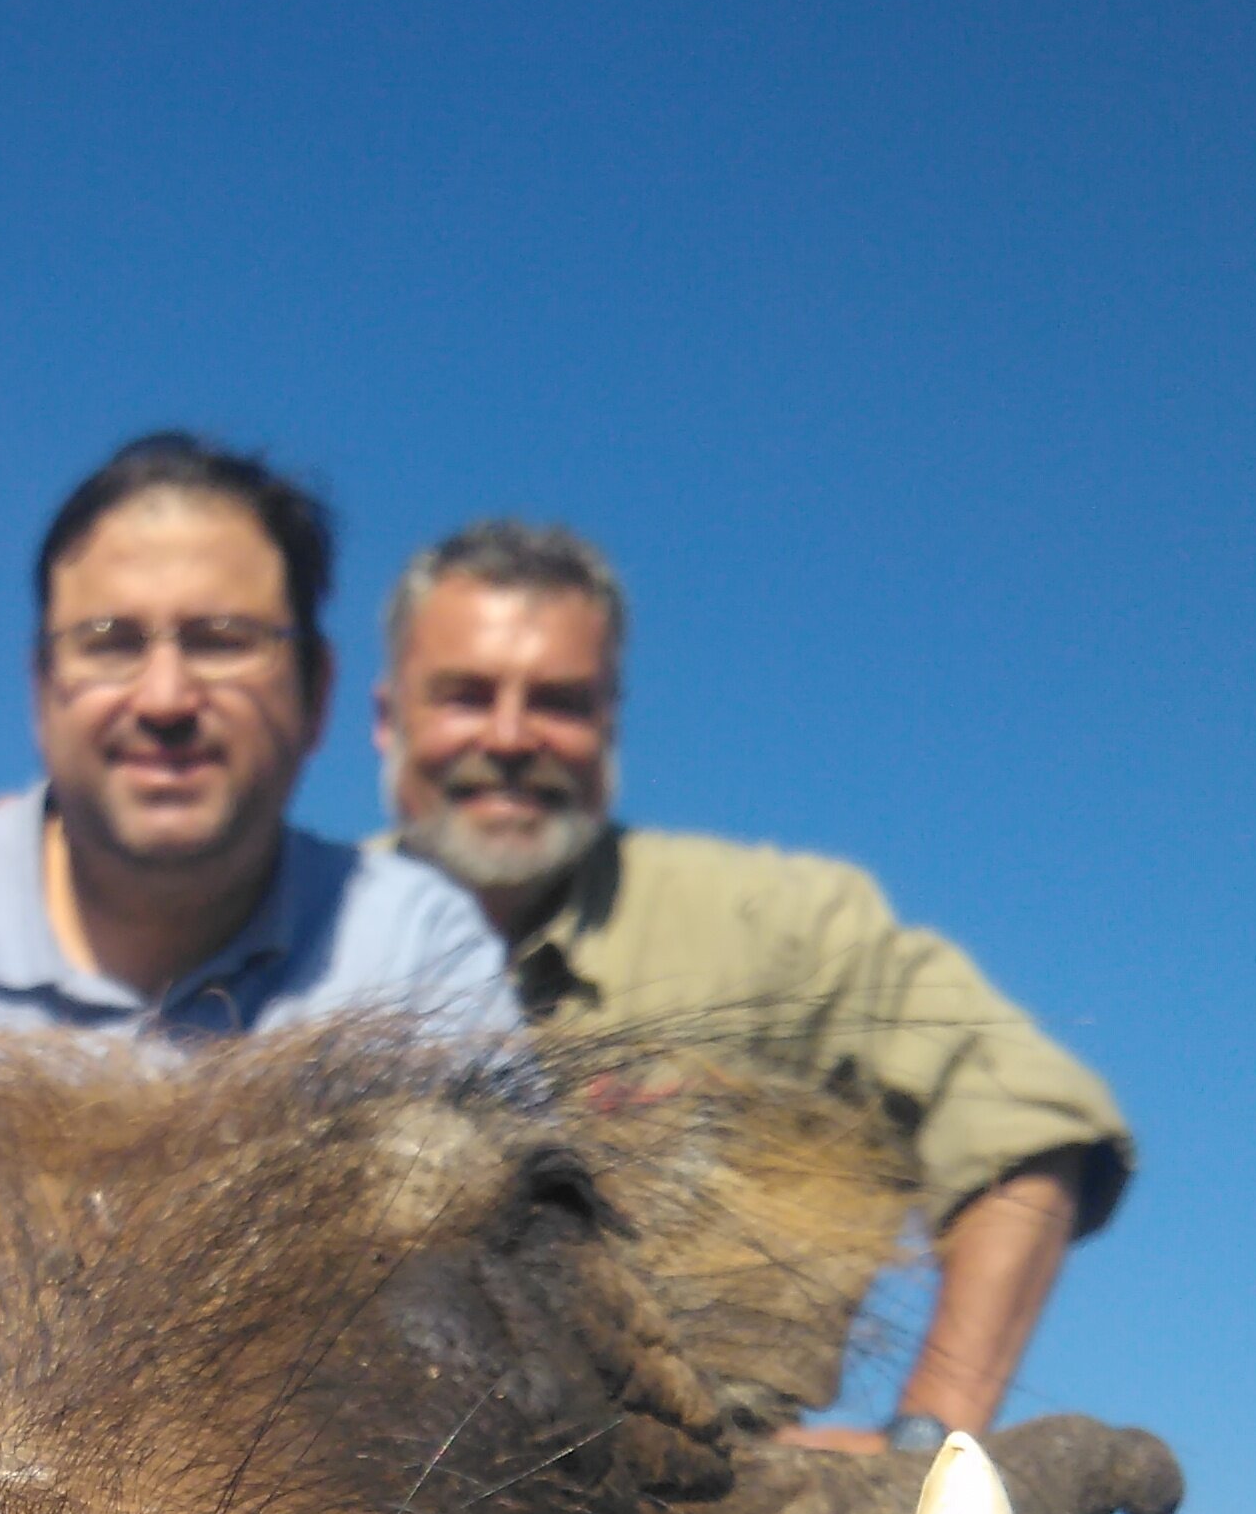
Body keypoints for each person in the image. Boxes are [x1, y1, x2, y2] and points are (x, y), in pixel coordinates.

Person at [375, 519, 1137, 1452]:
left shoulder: (780, 922)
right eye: (465, 695)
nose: (510, 735)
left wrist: (927, 1441)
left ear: (611, 725)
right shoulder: (276, 932)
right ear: (387, 719)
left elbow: (1026, 1108)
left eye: (560, 702)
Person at [0, 436, 516, 1061]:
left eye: (222, 641)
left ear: (318, 693)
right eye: (110, 643)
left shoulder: (415, 948)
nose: (165, 698)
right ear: (40, 688)